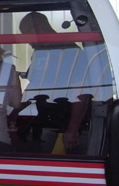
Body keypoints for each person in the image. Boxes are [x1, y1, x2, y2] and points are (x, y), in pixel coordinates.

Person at [17, 11, 112, 153]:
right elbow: (33, 88)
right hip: (44, 122)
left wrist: (72, 130)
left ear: (35, 29)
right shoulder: (39, 53)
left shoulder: (71, 52)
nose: (27, 41)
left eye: (26, 35)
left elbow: (81, 92)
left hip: (63, 126)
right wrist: (13, 113)